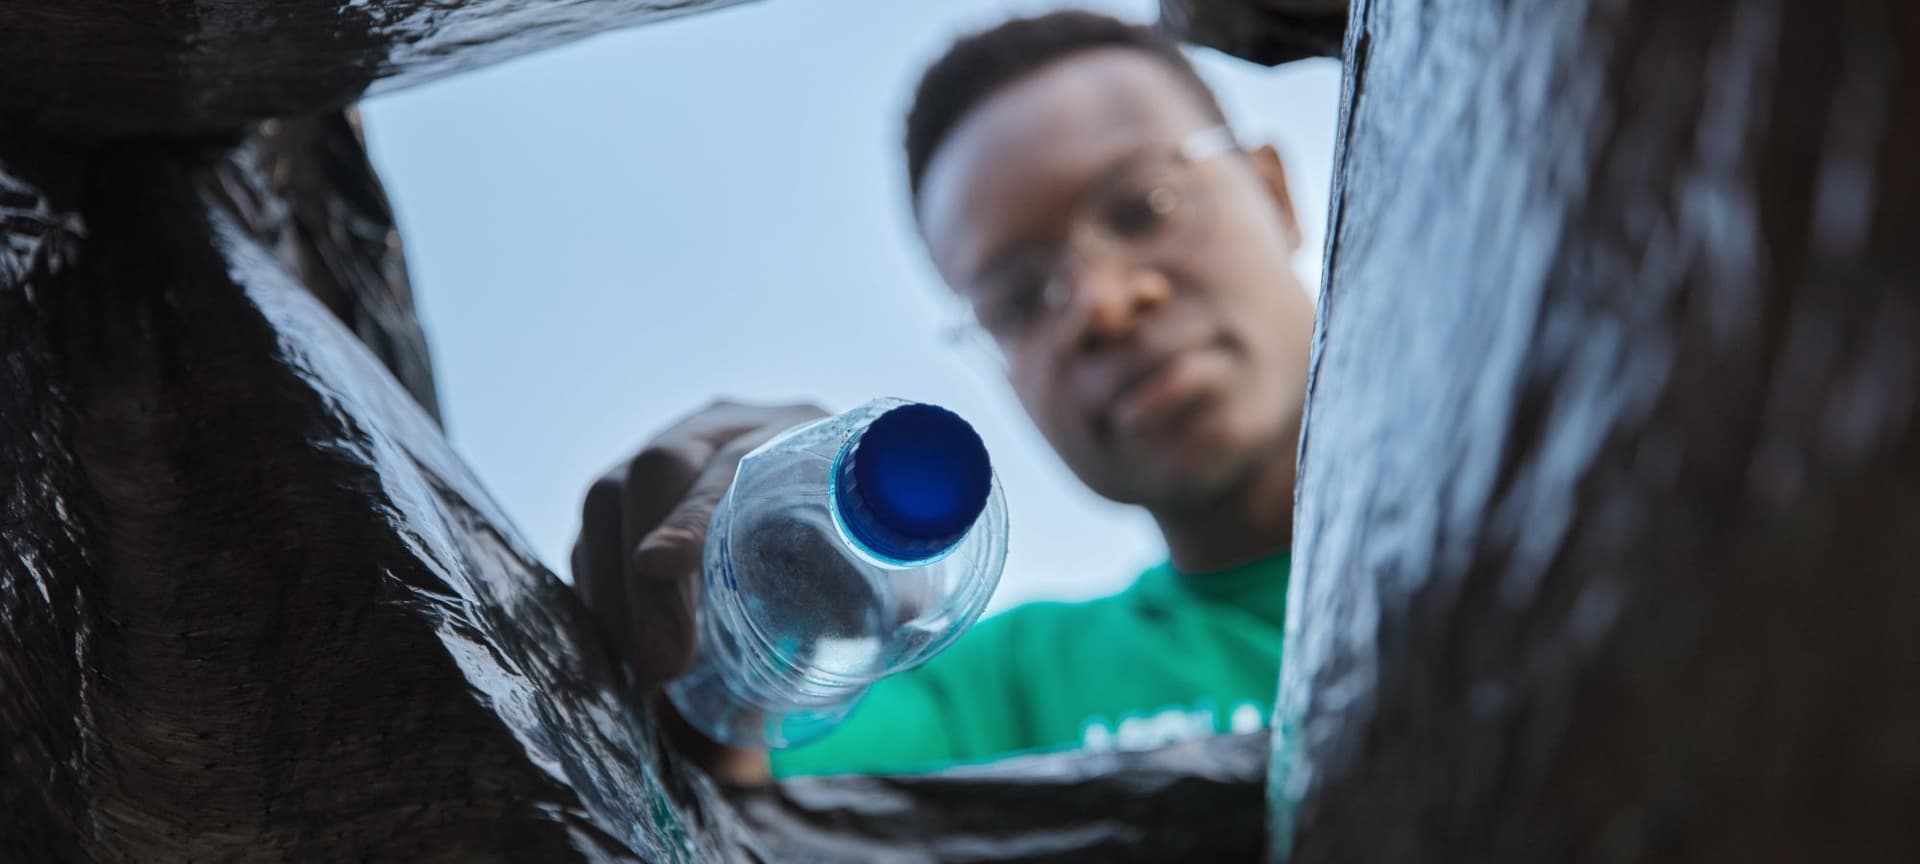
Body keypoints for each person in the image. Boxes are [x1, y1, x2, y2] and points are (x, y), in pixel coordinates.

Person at [569, 10, 1316, 783]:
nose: (1100, 305)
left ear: (1276, 195)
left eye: (1142, 209)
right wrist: (724, 633)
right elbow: (729, 804)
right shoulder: (998, 702)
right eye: (1019, 300)